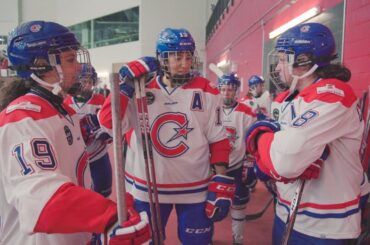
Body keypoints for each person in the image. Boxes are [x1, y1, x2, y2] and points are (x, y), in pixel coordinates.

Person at [0, 20, 150, 244]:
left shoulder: (59, 108)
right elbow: (40, 197)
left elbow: (105, 126)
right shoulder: (22, 119)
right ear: (41, 64)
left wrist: (125, 88)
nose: (79, 67)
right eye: (70, 60)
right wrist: (108, 217)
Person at [99, 27, 234, 245]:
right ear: (162, 58)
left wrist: (221, 179)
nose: (184, 63)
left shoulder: (208, 91)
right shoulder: (141, 88)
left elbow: (218, 139)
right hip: (147, 188)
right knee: (148, 241)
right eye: (176, 57)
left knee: (197, 242)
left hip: (195, 187)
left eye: (188, 56)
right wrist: (125, 87)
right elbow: (108, 123)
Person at [246, 22, 370, 244]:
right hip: (287, 211)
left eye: (283, 60)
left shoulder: (333, 94)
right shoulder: (288, 97)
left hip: (325, 224)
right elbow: (273, 163)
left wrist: (259, 136)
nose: (276, 68)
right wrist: (269, 159)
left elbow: (284, 161)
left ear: (303, 62)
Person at [216, 73, 256, 245]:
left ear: (236, 91)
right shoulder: (212, 109)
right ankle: (205, 237)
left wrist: (250, 162)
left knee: (238, 206)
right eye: (223, 89)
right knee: (210, 205)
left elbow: (251, 140)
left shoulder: (246, 112)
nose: (226, 93)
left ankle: (237, 240)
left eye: (230, 90)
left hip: (236, 166)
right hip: (214, 168)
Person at [64, 64, 112, 197]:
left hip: (98, 154)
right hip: (75, 156)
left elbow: (111, 127)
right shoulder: (65, 102)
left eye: (89, 81)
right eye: (82, 81)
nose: (86, 85)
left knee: (103, 194)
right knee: (78, 195)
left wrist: (106, 134)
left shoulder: (102, 101)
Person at [240, 75, 272, 193]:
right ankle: (249, 182)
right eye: (260, 85)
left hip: (264, 135)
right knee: (250, 164)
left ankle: (269, 182)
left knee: (267, 161)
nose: (262, 87)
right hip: (252, 137)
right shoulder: (245, 102)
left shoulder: (266, 97)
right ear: (254, 86)